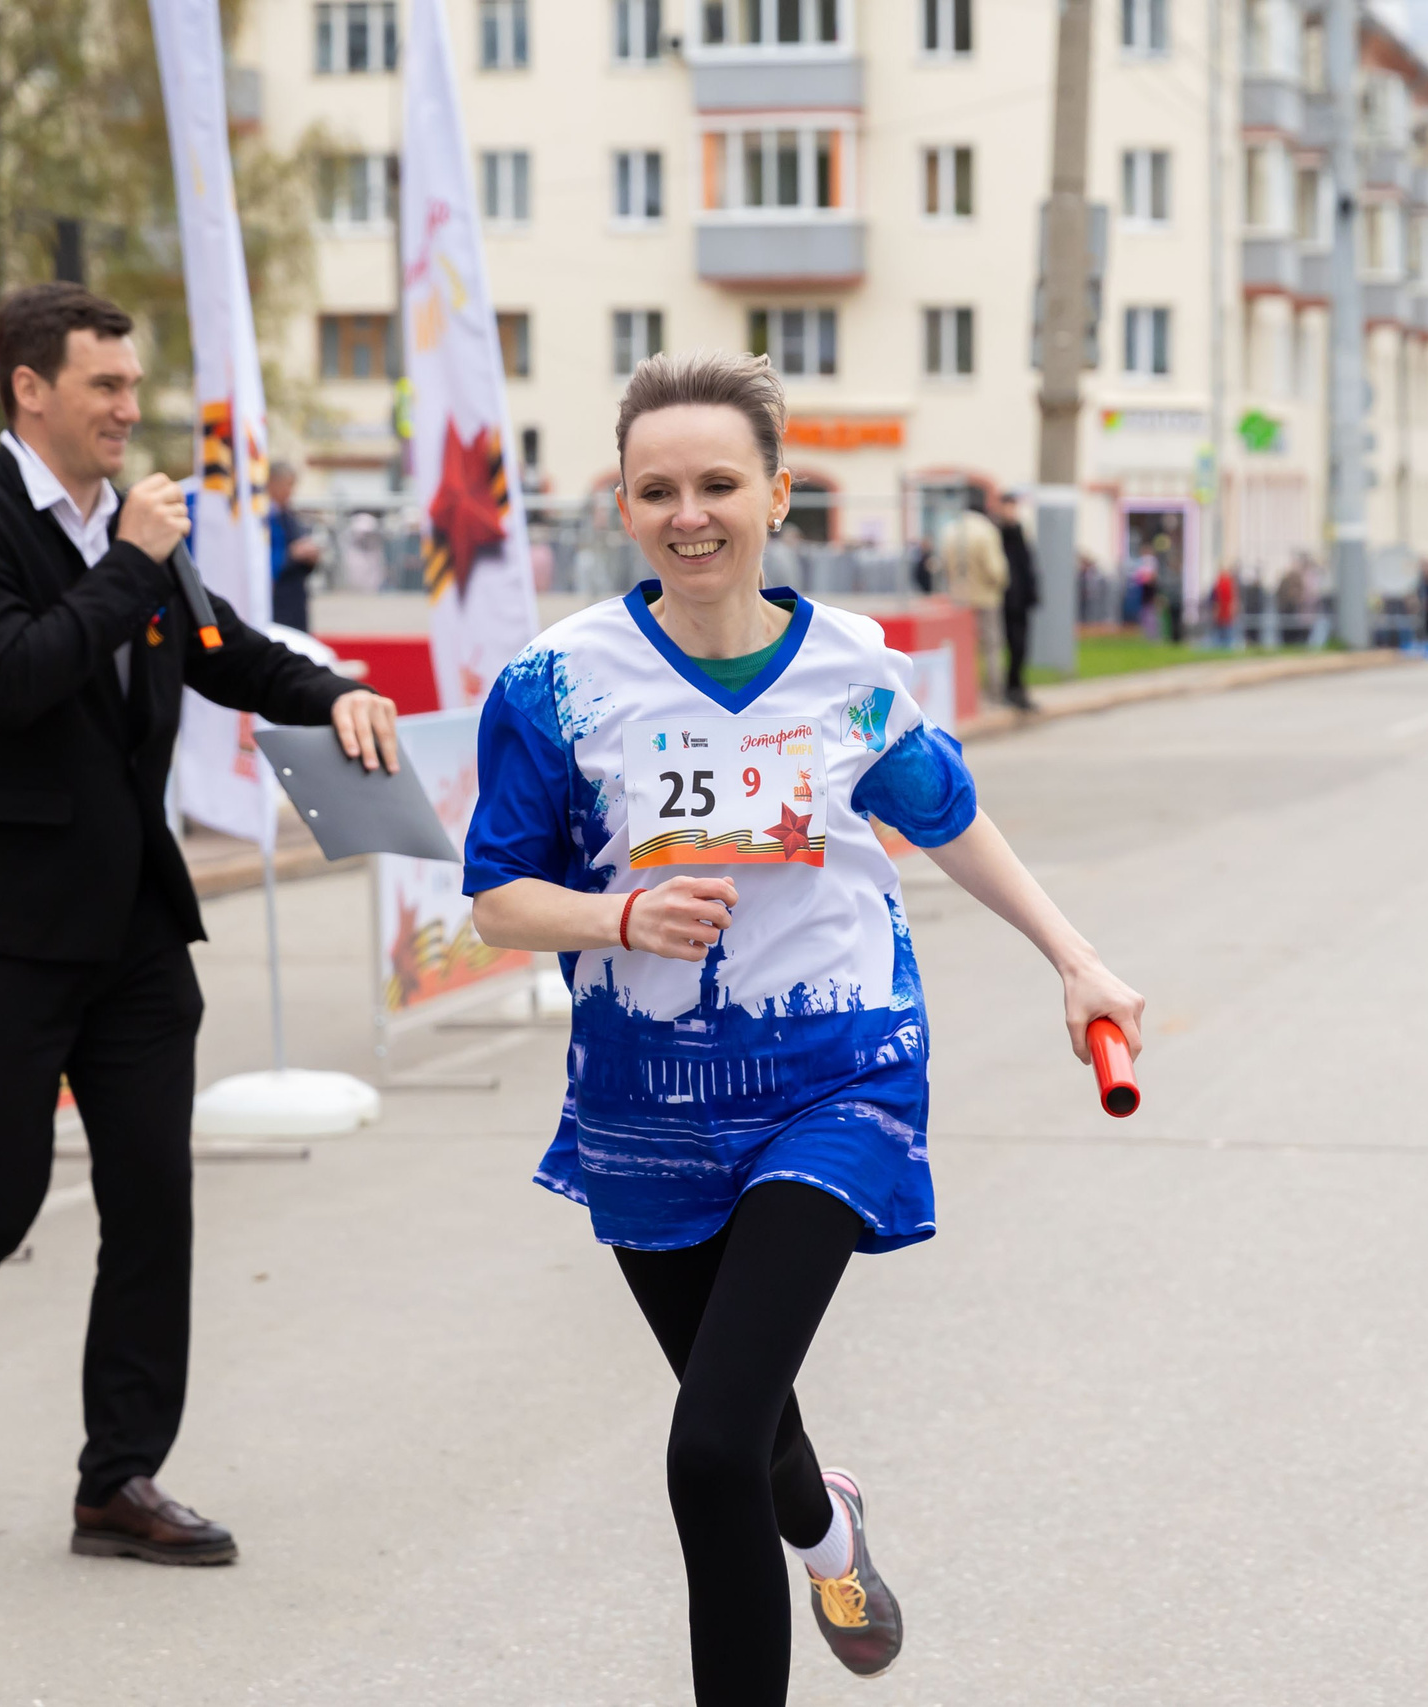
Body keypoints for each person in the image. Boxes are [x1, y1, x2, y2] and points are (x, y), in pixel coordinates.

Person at [461, 352, 1145, 1706]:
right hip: (645, 1104)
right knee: (750, 1419)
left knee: (708, 1444)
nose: (690, 513)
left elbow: (946, 816)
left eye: (720, 482)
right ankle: (827, 1524)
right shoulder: (555, 683)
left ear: (778, 495)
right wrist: (617, 919)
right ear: (623, 502)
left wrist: (1076, 958)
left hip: (835, 1074)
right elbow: (496, 900)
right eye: (657, 488)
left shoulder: (849, 670)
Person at [0, 282, 402, 1566]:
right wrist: (127, 561)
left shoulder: (133, 528)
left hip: (132, 919)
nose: (128, 409)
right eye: (105, 386)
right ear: (31, 388)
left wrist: (338, 693)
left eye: (133, 388)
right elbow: (21, 678)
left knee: (154, 1197)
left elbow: (222, 649)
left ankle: (118, 1479)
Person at [936, 490, 1008, 702]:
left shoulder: (950, 530)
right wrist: (999, 584)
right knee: (992, 647)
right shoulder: (986, 530)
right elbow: (995, 569)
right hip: (985, 596)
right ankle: (994, 692)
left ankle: (965, 692)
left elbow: (945, 566)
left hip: (959, 597)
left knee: (964, 647)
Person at [264, 463, 324, 631]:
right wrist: (291, 554)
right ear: (273, 484)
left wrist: (310, 558)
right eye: (288, 485)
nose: (291, 491)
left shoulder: (289, 515)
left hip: (294, 599)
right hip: (275, 602)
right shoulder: (262, 518)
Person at [993, 490, 1038, 711]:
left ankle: (1018, 687)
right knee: (1006, 646)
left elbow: (1027, 565)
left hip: (1021, 600)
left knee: (1021, 647)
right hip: (1006, 600)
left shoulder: (1020, 532)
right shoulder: (998, 533)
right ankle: (1008, 689)